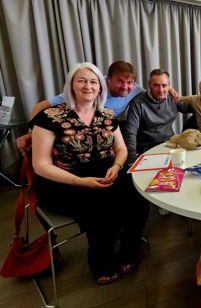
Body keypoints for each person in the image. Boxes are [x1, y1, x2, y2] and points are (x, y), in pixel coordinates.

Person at [30, 62, 149, 285]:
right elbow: (41, 165)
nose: (88, 86)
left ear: (100, 87)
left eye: (93, 81)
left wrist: (116, 166)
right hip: (64, 181)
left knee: (140, 200)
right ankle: (101, 262)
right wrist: (79, 181)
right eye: (82, 80)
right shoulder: (49, 117)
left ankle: (129, 250)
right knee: (102, 209)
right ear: (71, 85)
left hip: (107, 173)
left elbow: (121, 149)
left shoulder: (106, 115)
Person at [16, 61, 145, 156]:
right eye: (119, 81)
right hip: (73, 140)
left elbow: (155, 93)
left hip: (102, 140)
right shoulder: (90, 88)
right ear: (107, 80)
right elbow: (40, 106)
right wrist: (32, 134)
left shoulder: (135, 89)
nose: (125, 87)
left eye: (129, 83)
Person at [124, 68, 188, 164]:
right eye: (156, 85)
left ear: (169, 86)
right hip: (147, 149)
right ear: (149, 84)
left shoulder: (172, 97)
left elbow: (188, 108)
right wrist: (132, 160)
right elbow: (130, 132)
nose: (161, 90)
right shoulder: (138, 102)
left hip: (170, 145)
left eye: (164, 85)